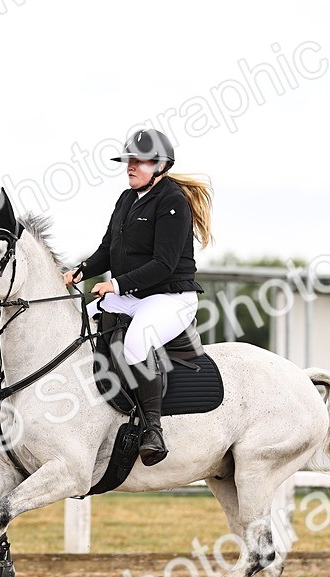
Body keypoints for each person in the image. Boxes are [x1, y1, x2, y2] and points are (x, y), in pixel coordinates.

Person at [63, 129, 213, 466]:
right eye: (128, 160)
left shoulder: (173, 201)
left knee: (136, 344)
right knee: (81, 322)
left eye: (138, 161)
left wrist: (115, 285)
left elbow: (164, 264)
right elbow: (107, 250)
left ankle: (152, 430)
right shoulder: (127, 199)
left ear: (159, 165)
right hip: (134, 295)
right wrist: (81, 270)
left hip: (171, 298)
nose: (130, 166)